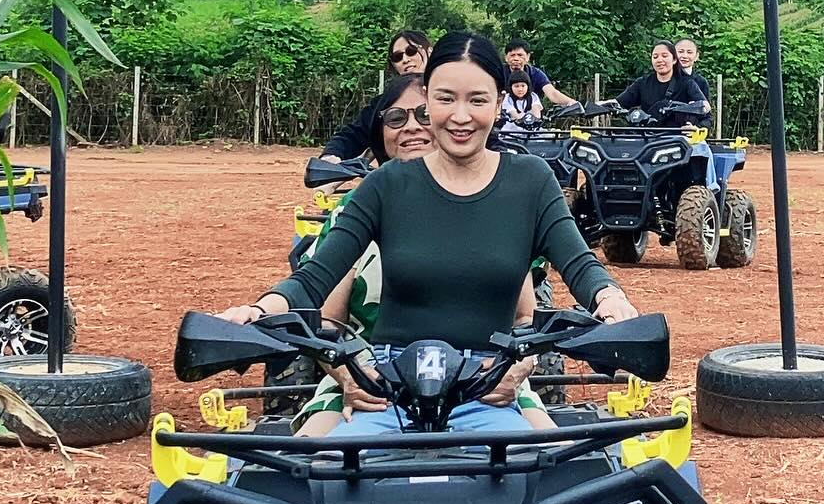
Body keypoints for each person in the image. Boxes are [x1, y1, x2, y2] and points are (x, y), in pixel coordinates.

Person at [229, 33, 636, 437]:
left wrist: (610, 300)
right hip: (387, 386)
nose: (460, 116)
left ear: (499, 103)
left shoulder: (530, 181)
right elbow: (314, 278)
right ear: (427, 99)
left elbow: (579, 264)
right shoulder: (387, 184)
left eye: (477, 100)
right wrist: (258, 310)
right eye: (446, 98)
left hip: (487, 385)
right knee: (323, 471)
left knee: (542, 469)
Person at [319, 29, 430, 163]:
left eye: (411, 51)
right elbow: (353, 134)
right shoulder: (382, 104)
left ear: (429, 51)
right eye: (397, 57)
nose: (405, 60)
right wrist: (331, 155)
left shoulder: (449, 94)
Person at [616, 41, 711, 122]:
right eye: (655, 57)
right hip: (647, 134)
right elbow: (618, 103)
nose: (660, 60)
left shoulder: (688, 83)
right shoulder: (642, 83)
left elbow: (706, 110)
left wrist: (695, 127)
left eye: (664, 56)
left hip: (677, 135)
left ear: (674, 59)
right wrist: (607, 105)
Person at [503, 40, 577, 109]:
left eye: (520, 55)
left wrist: (573, 103)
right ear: (506, 57)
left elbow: (552, 93)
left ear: (528, 57)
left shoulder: (535, 73)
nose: (516, 58)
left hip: (531, 114)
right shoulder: (499, 72)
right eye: (512, 55)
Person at [674, 36, 712, 109]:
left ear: (696, 56)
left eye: (689, 52)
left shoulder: (701, 82)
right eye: (680, 52)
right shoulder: (666, 78)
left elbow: (706, 111)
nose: (685, 56)